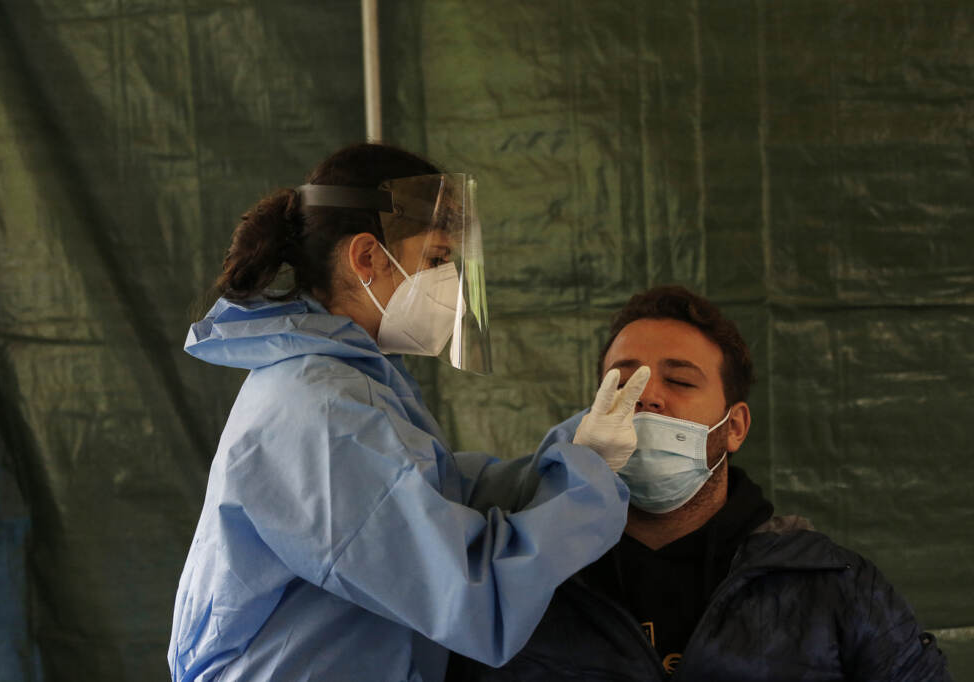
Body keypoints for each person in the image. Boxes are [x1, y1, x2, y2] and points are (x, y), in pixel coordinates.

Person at [167, 143, 653, 682]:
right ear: (367, 258)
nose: (452, 283)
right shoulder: (323, 412)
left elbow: (439, 494)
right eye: (439, 260)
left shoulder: (344, 382)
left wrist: (574, 451)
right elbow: (474, 597)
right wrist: (585, 482)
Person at [447, 285, 952, 681]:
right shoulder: (528, 581)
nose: (647, 398)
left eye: (681, 381)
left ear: (735, 427)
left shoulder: (832, 585)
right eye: (622, 382)